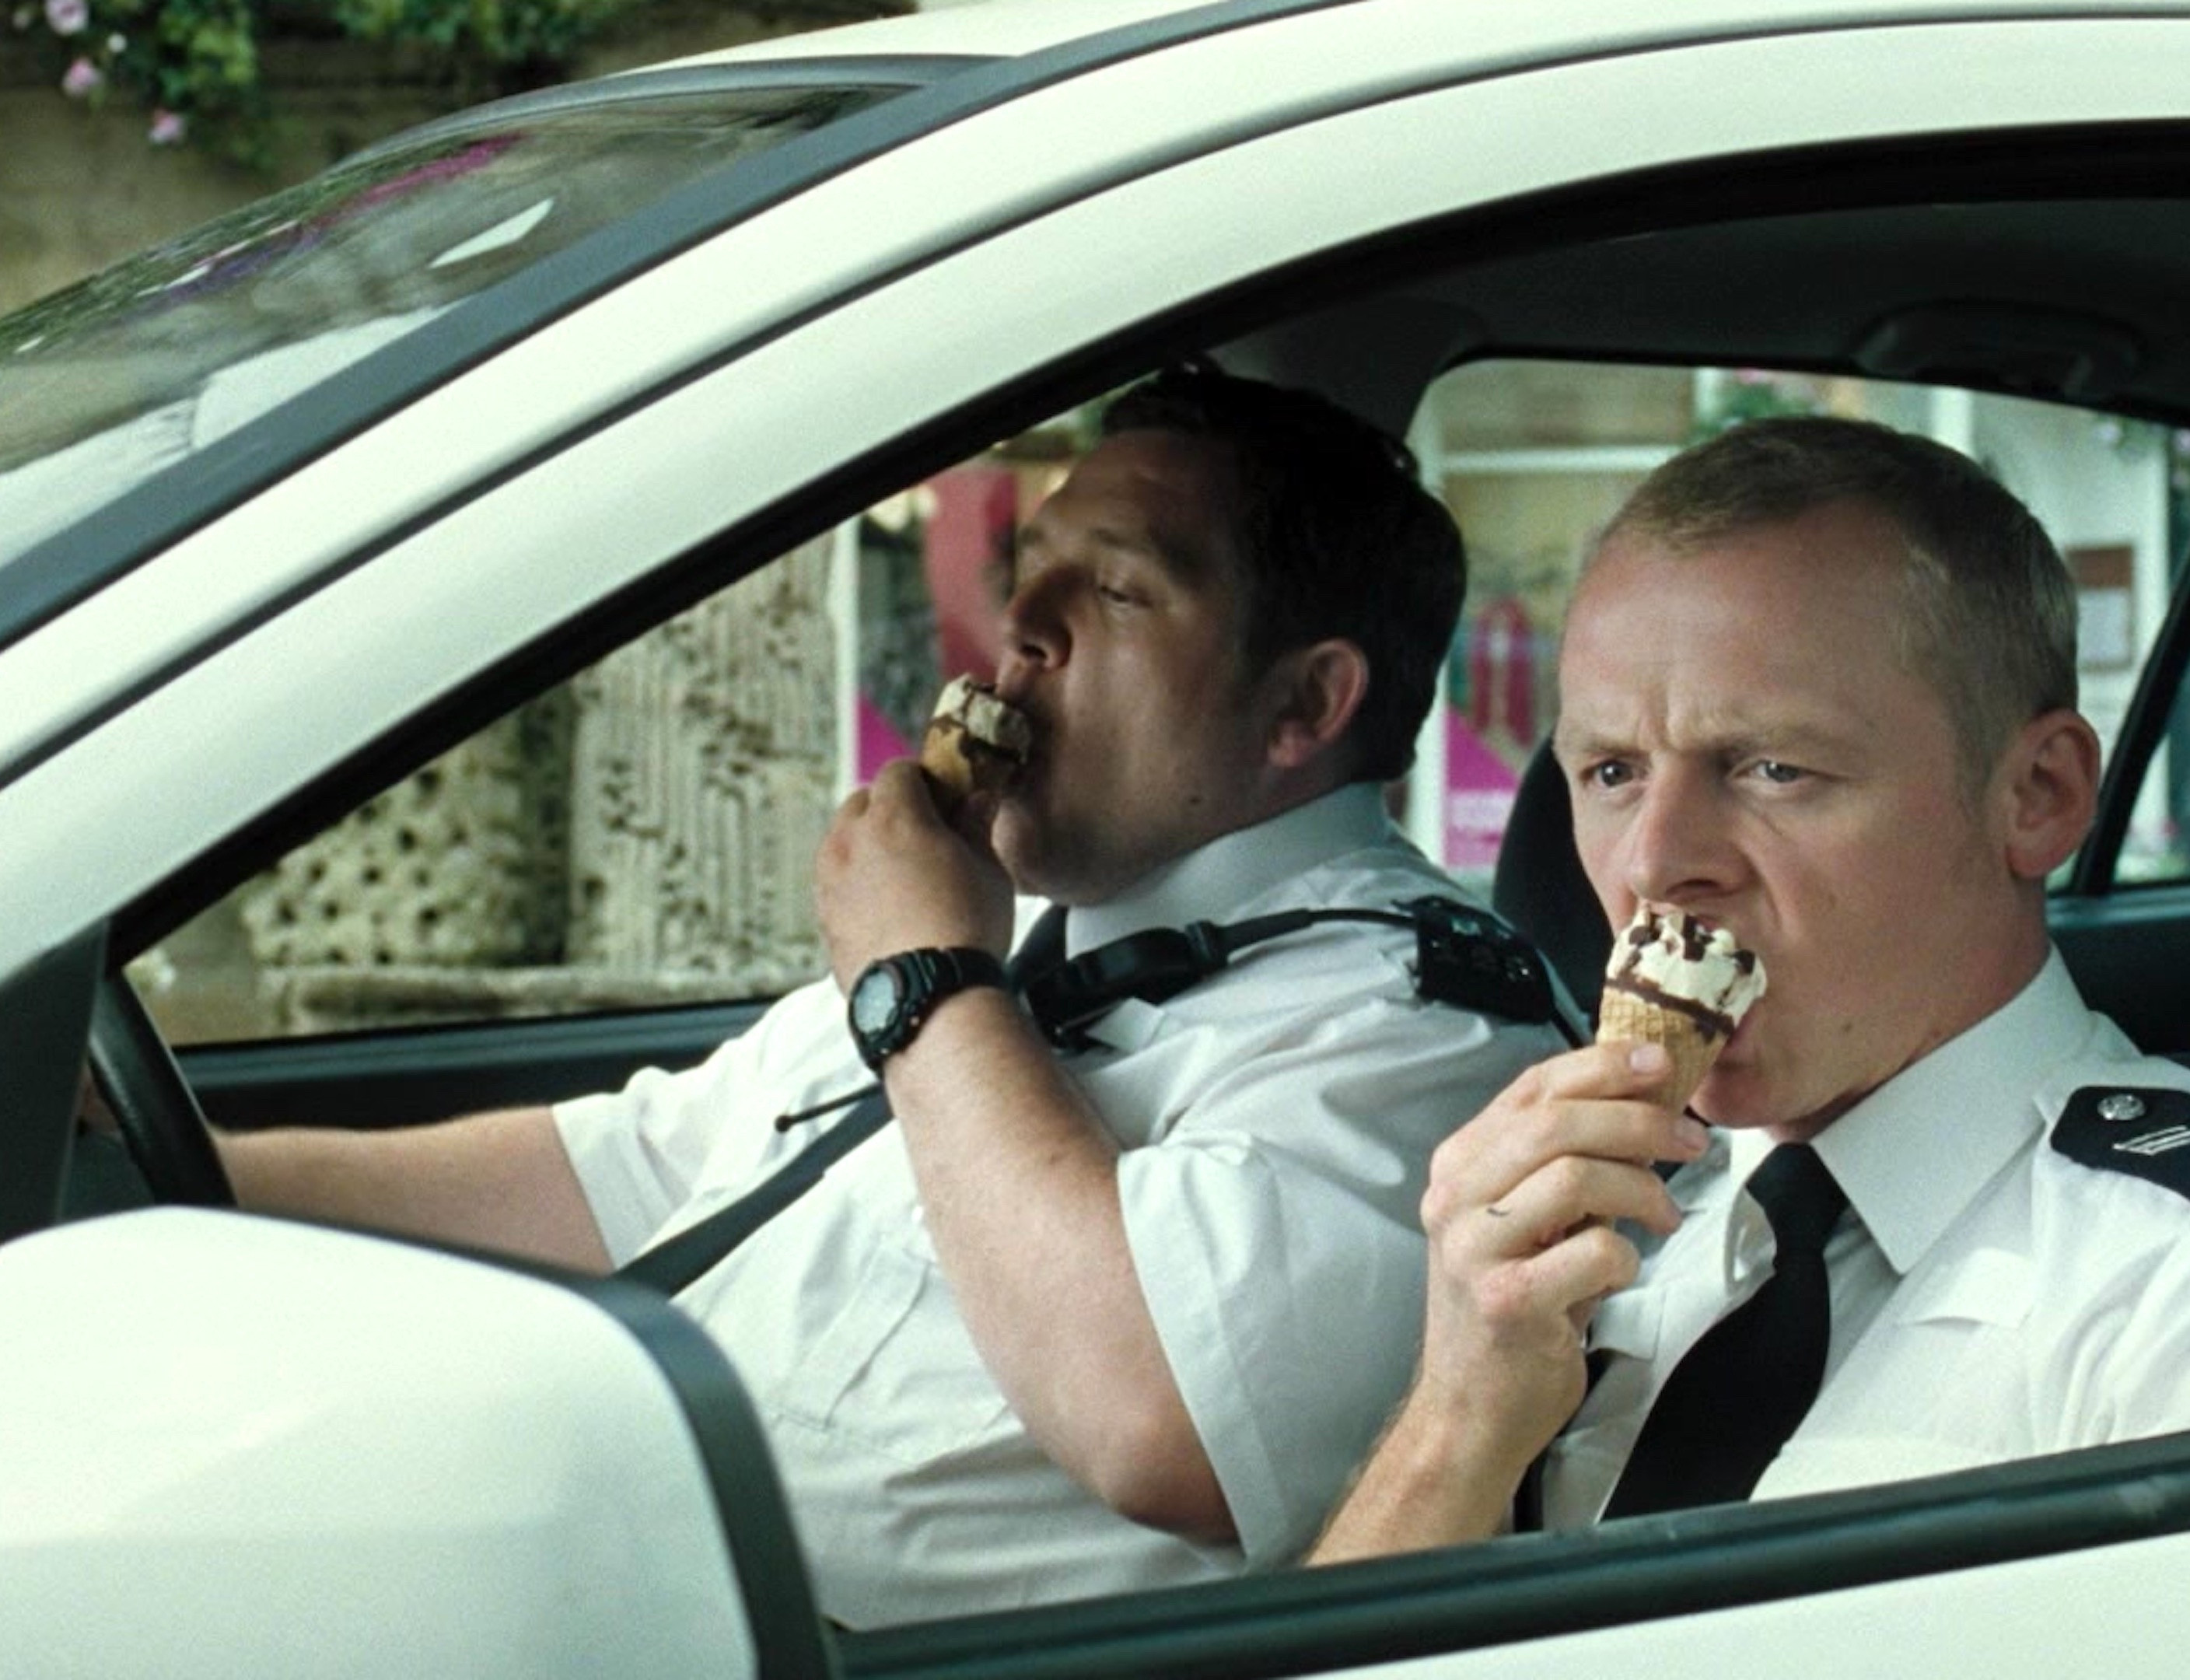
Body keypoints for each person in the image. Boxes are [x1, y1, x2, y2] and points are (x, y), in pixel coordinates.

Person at [210, 363, 1568, 1626]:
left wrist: (926, 986)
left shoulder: (1423, 1033)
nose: (1019, 629)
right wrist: (179, 1173)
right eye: (1030, 573)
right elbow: (631, 1175)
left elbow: (1160, 1427)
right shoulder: (1019, 930)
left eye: (1116, 591)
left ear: (1304, 706)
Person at [1310, 415, 2190, 1560]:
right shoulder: (1579, 1252)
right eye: (1612, 772)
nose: (1654, 862)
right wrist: (1456, 1420)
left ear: (2036, 796)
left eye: (1772, 768)